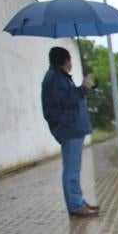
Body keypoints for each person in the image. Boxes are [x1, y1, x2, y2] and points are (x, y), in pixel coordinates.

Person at [41, 47, 99, 217]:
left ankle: (78, 202)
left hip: (70, 127)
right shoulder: (56, 79)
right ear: (66, 61)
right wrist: (83, 88)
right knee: (72, 170)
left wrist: (83, 88)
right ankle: (75, 205)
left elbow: (67, 98)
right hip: (69, 128)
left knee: (73, 169)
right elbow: (65, 102)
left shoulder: (58, 78)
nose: (71, 62)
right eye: (70, 59)